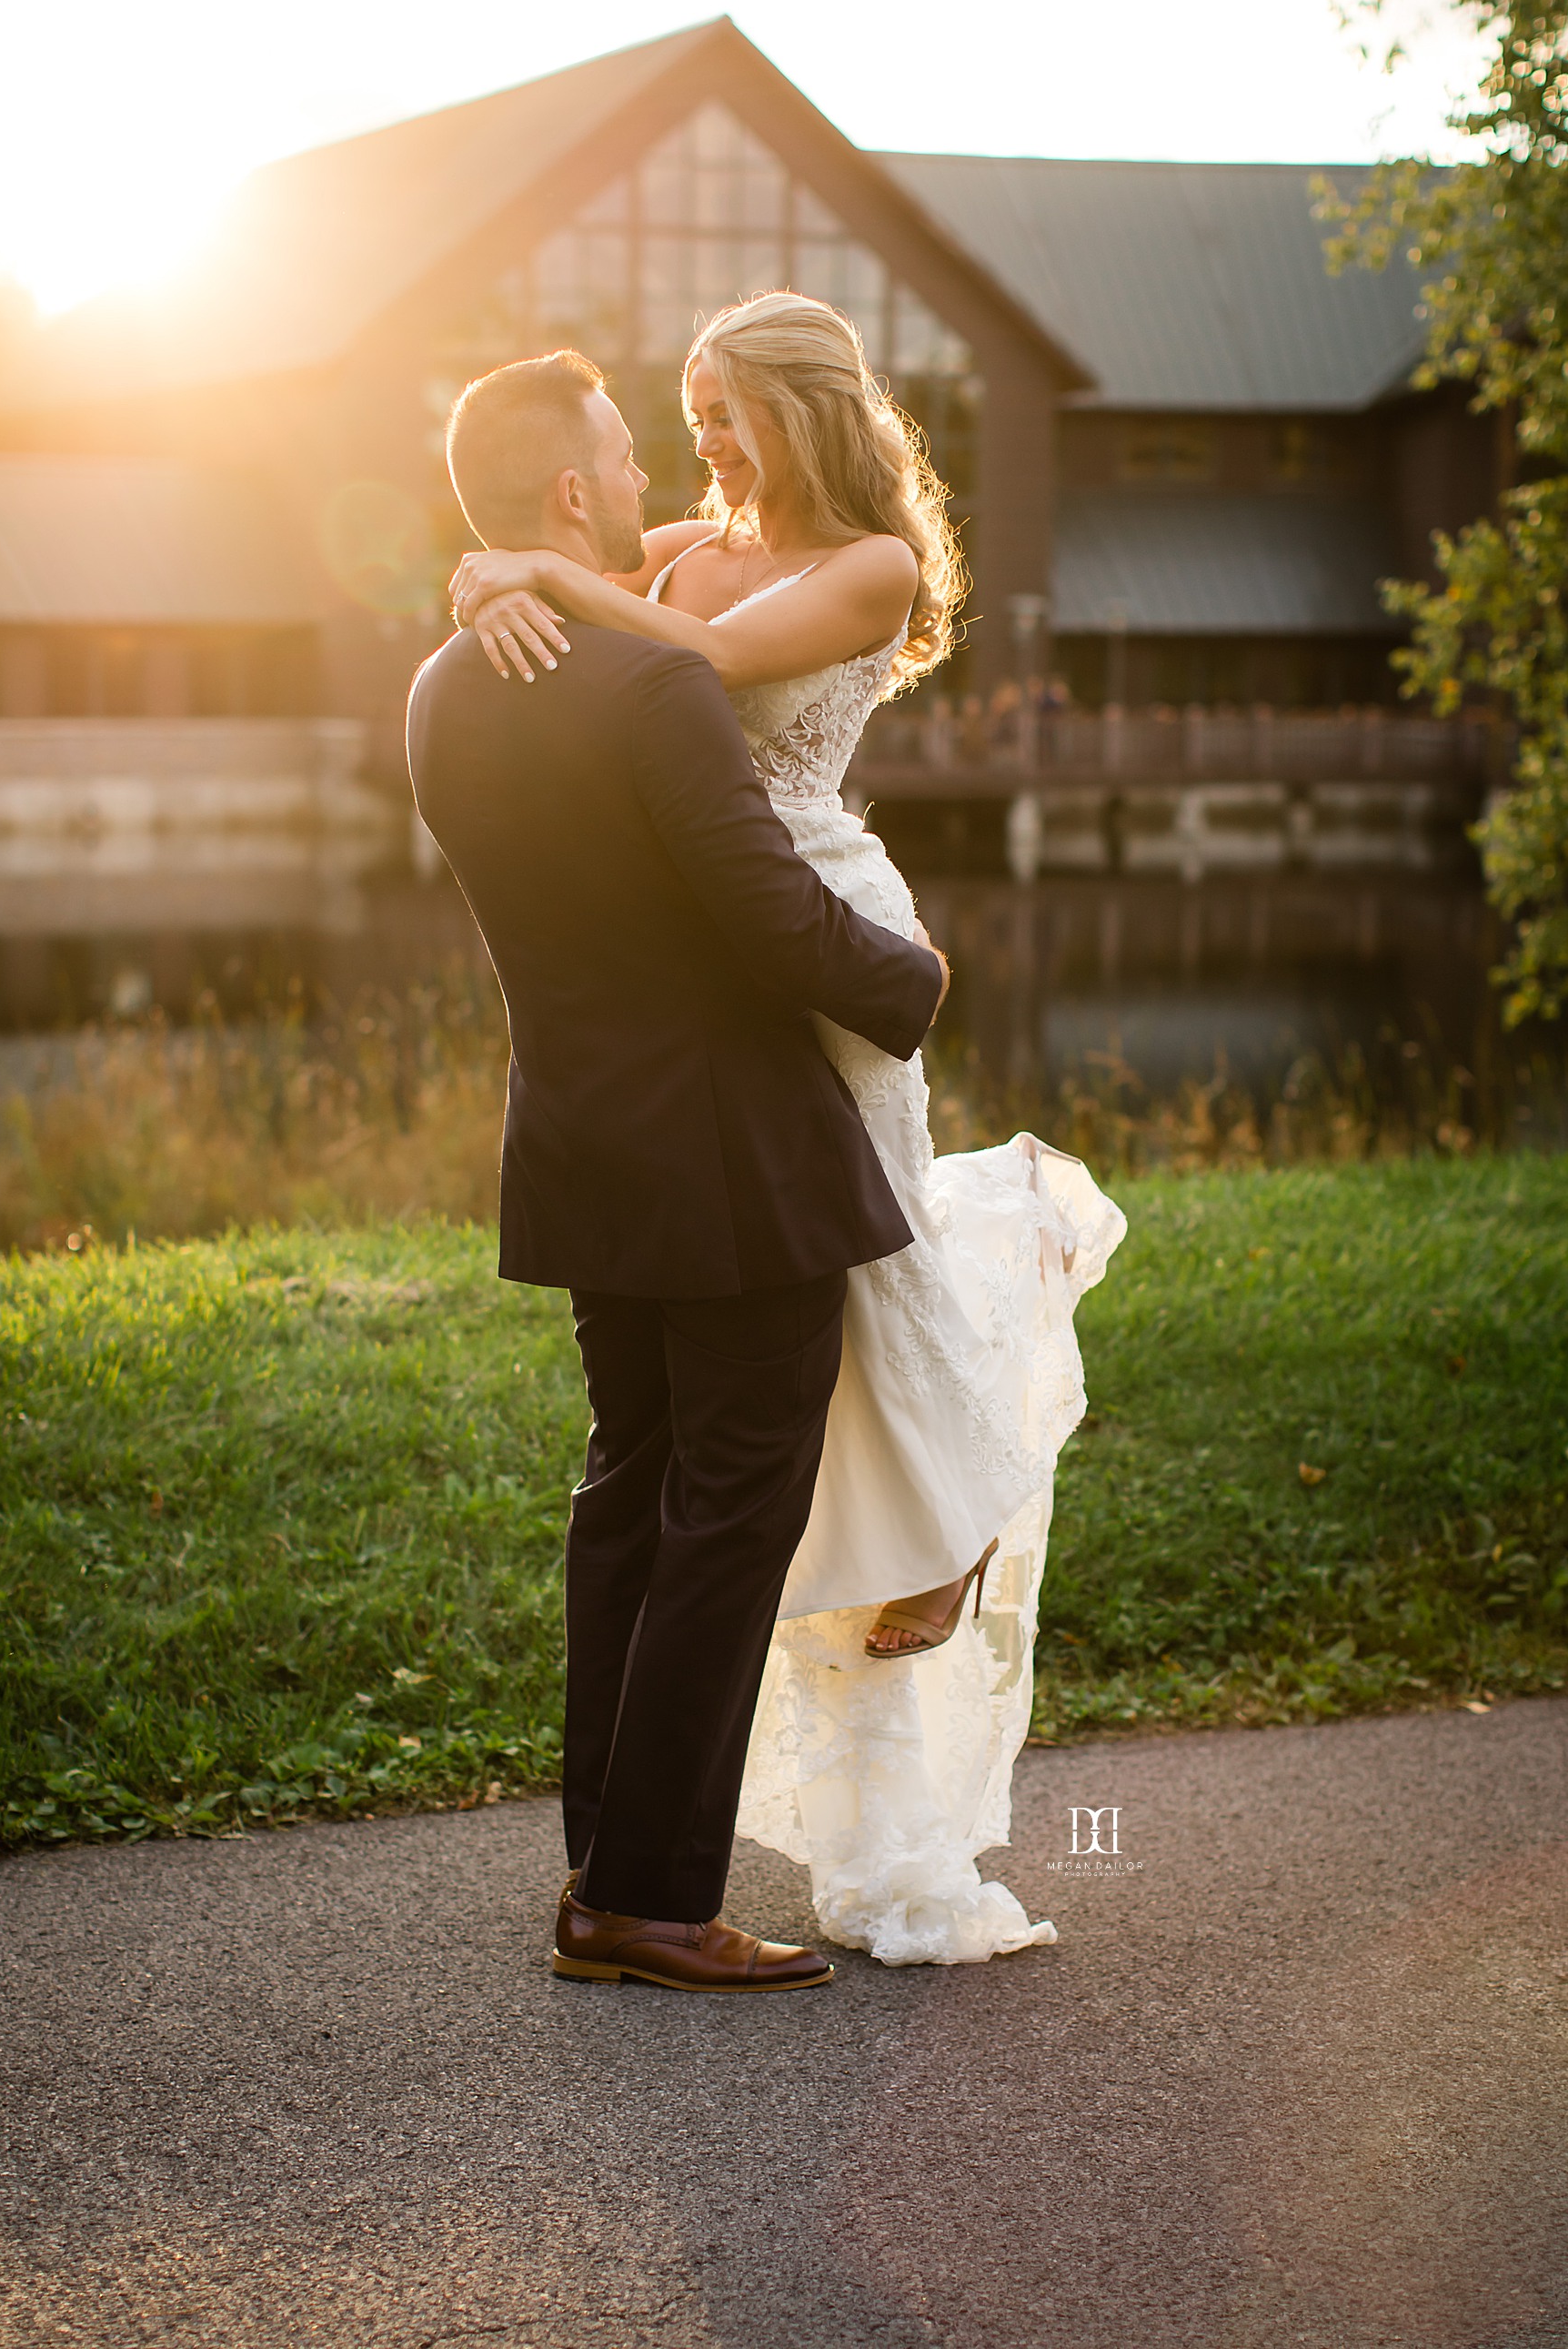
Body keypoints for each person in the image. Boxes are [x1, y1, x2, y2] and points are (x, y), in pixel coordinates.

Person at [449, 293, 1127, 1968]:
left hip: (810, 917)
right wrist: (499, 565)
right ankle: (644, 1888)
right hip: (748, 959)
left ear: (807, 410)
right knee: (764, 1369)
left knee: (869, 1237)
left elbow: (718, 661)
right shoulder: (692, 541)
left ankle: (945, 1525)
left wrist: (519, 575)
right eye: (679, 418)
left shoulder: (871, 565)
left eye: (728, 413)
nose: (700, 449)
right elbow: (603, 573)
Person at [407, 348, 948, 1995]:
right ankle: (646, 1895)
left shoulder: (440, 688)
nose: (652, 479)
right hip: (729, 1164)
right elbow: (769, 918)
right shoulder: (655, 689)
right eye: (624, 458)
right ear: (568, 492)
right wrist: (913, 984)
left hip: (582, 1145)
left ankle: (604, 1862)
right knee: (730, 1510)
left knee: (627, 1494)